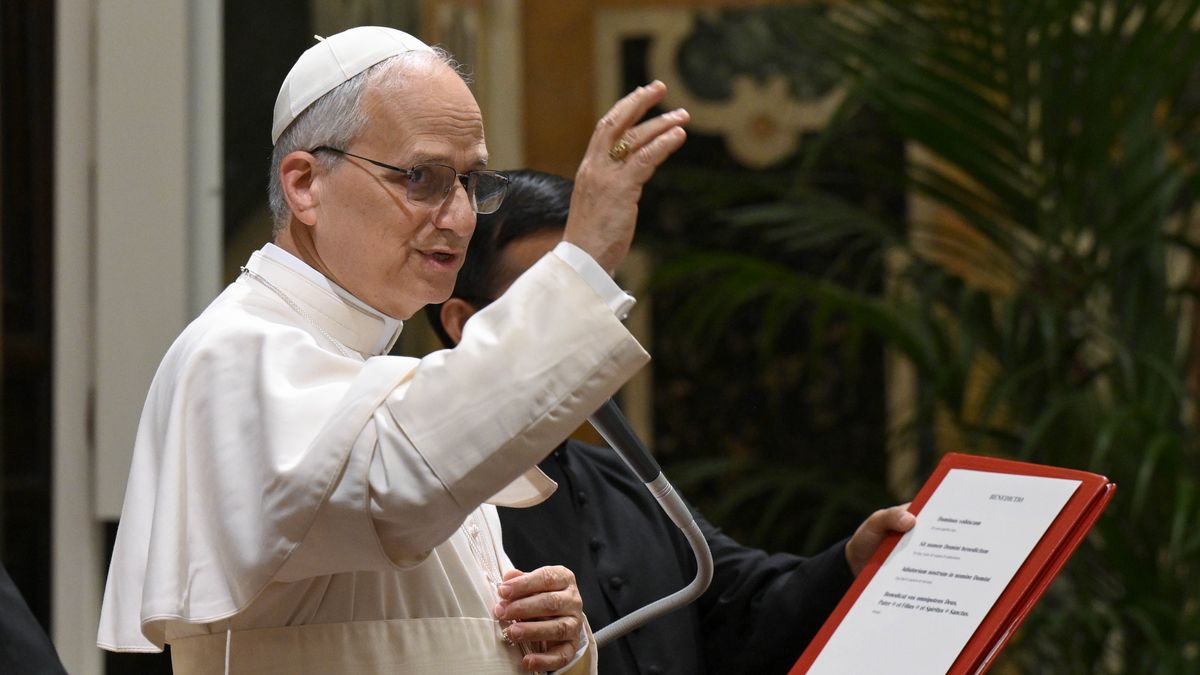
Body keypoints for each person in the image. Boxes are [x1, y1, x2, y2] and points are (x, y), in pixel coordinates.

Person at [97, 26, 690, 674]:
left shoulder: (370, 371)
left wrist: (559, 641)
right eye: (424, 177)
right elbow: (398, 482)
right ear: (304, 185)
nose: (461, 216)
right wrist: (580, 265)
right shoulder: (235, 355)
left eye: (470, 181)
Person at [427, 169, 917, 675]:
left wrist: (850, 563)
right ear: (465, 323)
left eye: (595, 297)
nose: (588, 323)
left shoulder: (621, 475)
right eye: (555, 300)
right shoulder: (427, 506)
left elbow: (740, 605)